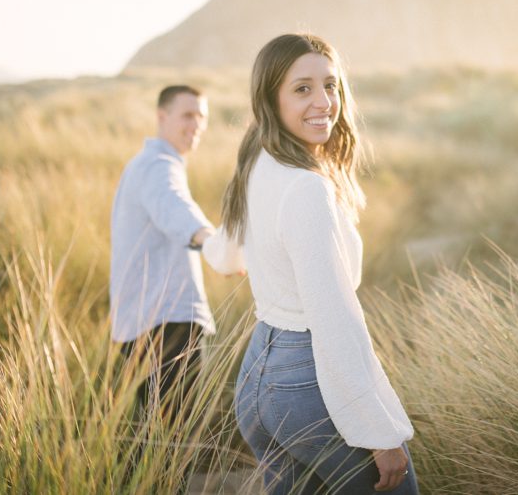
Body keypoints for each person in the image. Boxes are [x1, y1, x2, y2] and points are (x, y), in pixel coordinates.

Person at [204, 34, 418, 493]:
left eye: (331, 85)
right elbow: (333, 316)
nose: (324, 101)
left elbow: (224, 256)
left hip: (257, 378)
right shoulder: (306, 188)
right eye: (302, 88)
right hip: (304, 381)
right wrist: (377, 431)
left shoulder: (256, 156)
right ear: (271, 98)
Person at [110, 84, 215, 423]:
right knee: (172, 431)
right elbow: (174, 207)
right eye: (187, 115)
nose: (196, 124)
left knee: (156, 430)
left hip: (145, 320)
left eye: (202, 117)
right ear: (161, 116)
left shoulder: (147, 163)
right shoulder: (158, 166)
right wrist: (212, 242)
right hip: (166, 320)